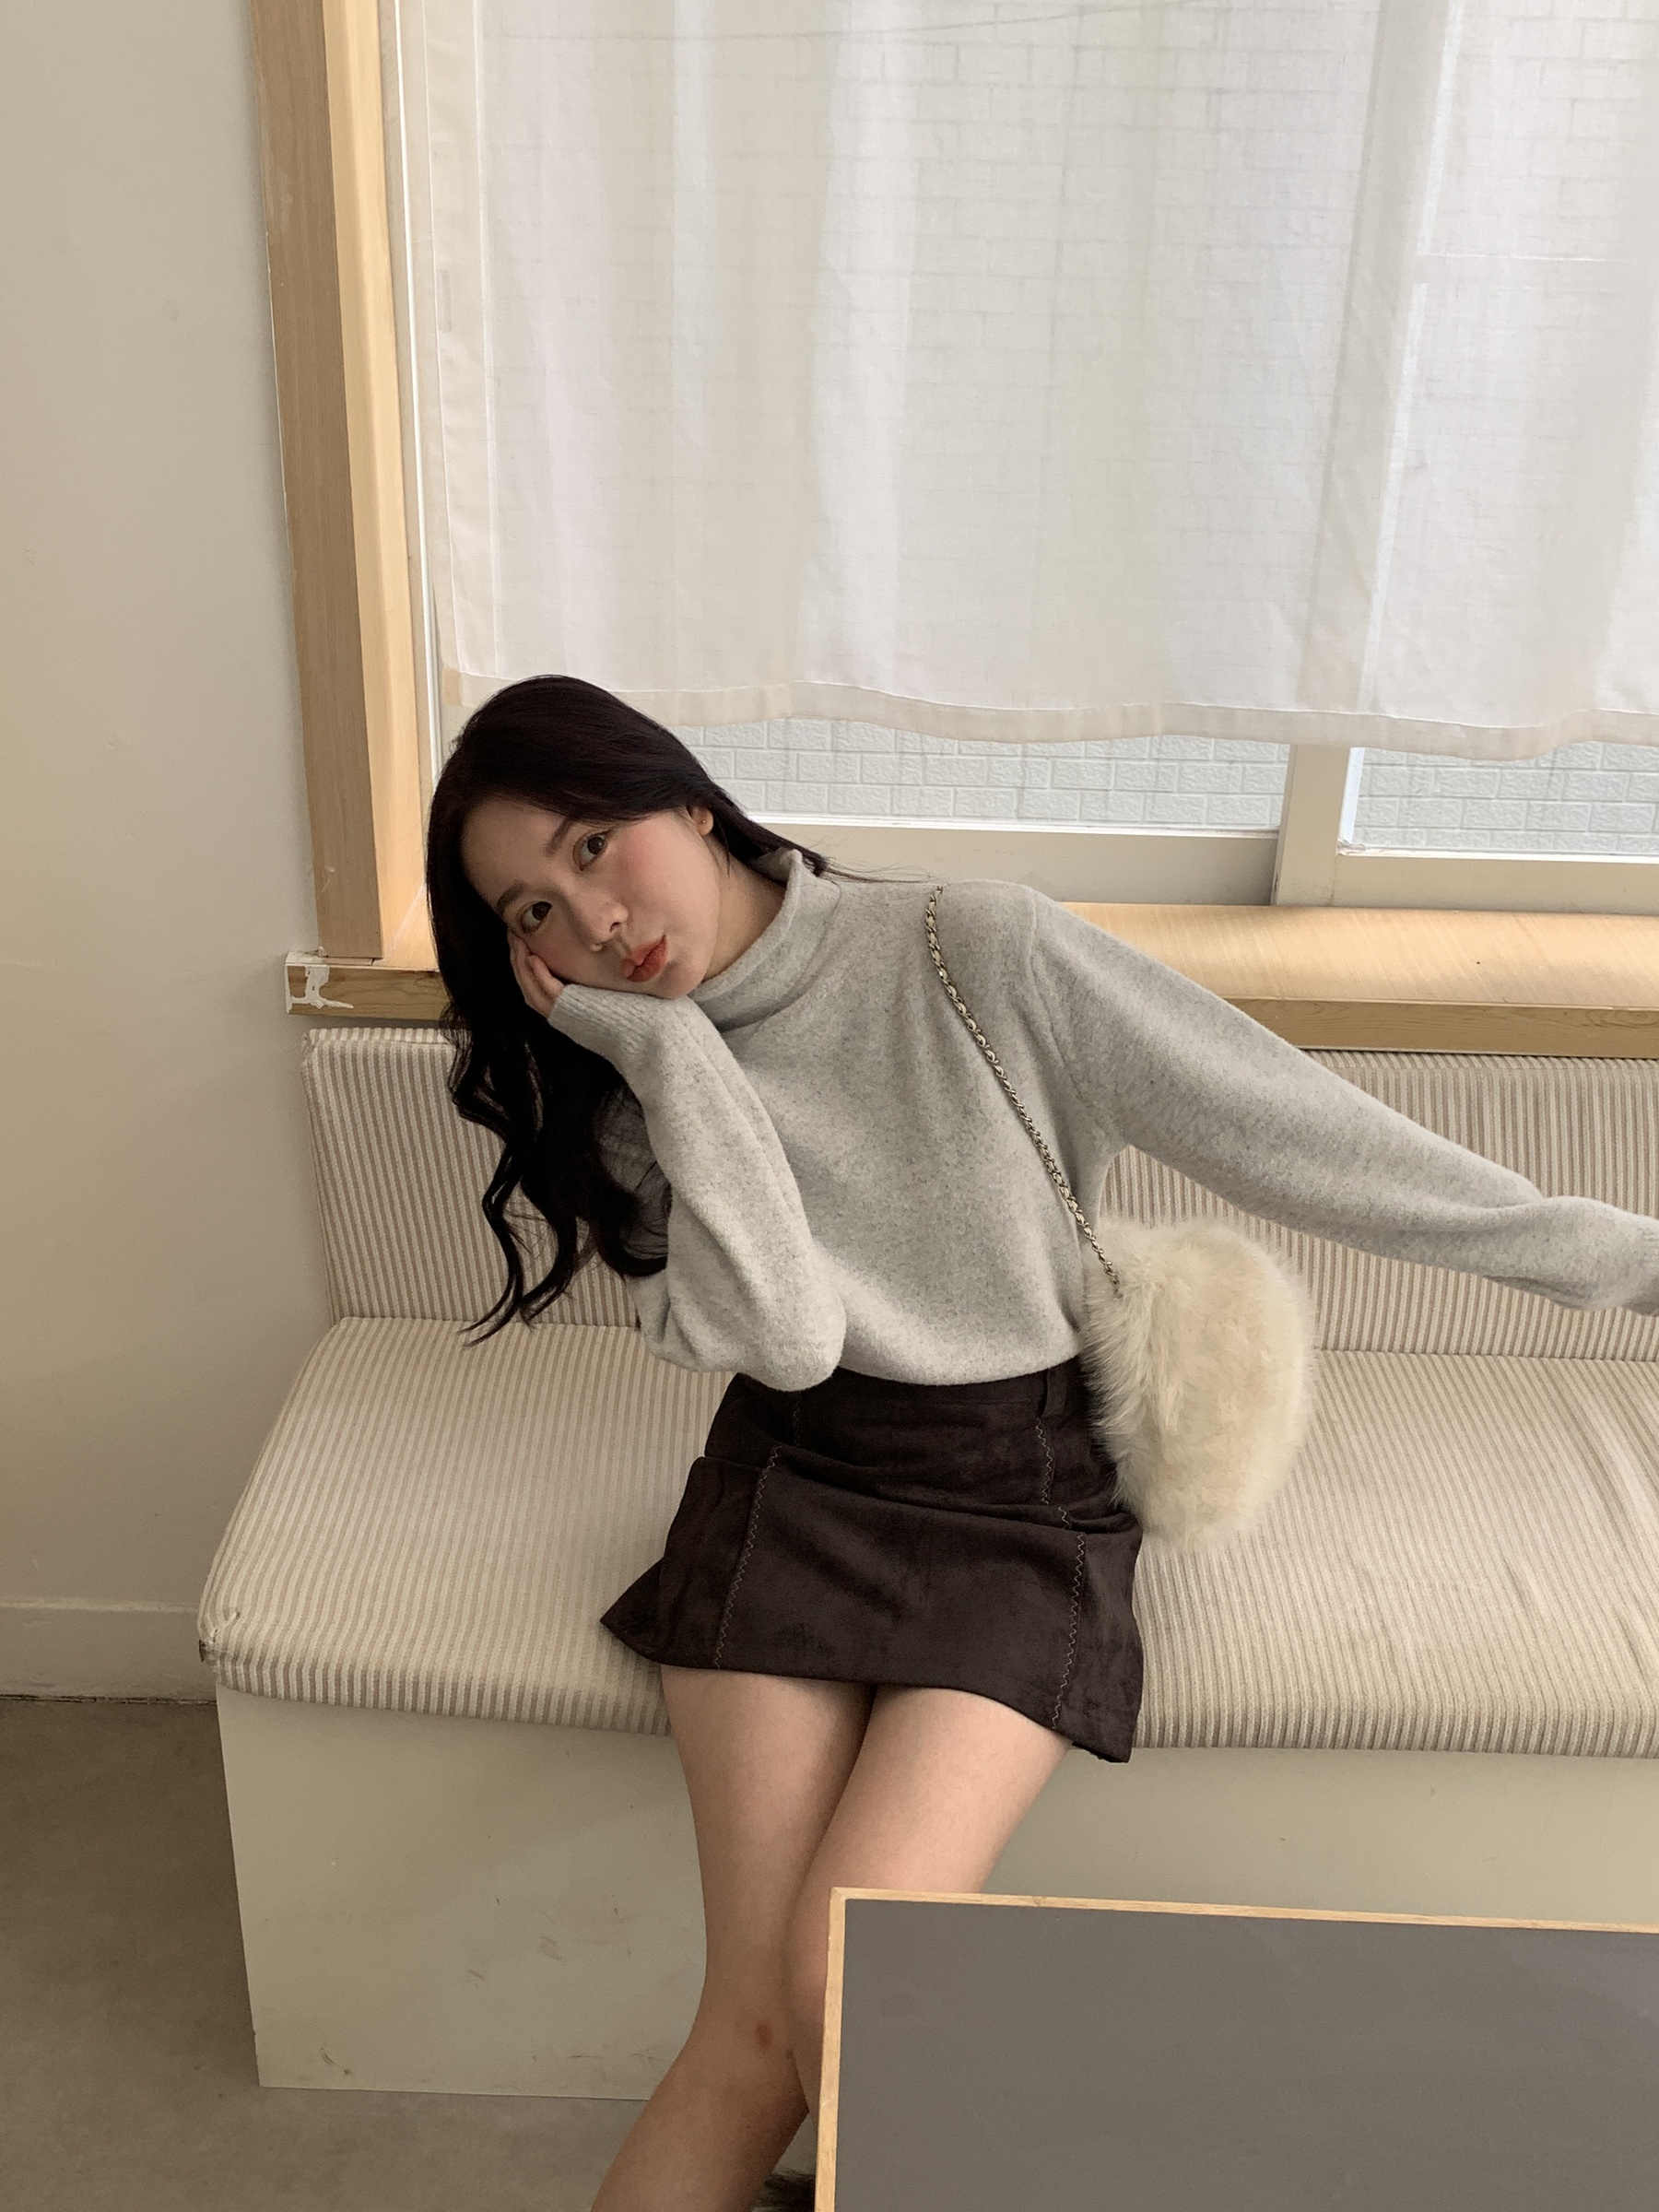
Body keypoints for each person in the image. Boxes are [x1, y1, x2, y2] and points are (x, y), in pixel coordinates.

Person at [426, 675, 1659, 2212]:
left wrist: (1631, 1266)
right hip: (797, 1473)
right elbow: (791, 1342)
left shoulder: (973, 951)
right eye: (534, 913)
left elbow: (1300, 1132)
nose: (596, 925)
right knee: (751, 2036)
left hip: (1021, 1492)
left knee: (841, 2002)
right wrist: (676, 1064)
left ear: (686, 797)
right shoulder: (628, 1089)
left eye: (594, 845)